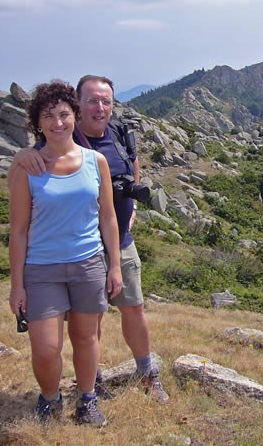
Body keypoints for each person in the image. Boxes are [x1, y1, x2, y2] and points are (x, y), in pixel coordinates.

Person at [14, 74, 169, 402]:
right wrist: (21, 156)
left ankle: (147, 374)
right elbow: (40, 163)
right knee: (90, 324)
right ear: (78, 106)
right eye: (91, 101)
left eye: (106, 101)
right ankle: (92, 382)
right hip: (79, 250)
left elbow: (132, 165)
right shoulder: (64, 140)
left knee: (134, 308)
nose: (99, 107)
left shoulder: (119, 134)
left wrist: (132, 208)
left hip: (118, 243)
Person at [8, 80, 123, 426]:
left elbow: (108, 217)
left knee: (86, 338)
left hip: (88, 263)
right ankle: (50, 398)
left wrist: (114, 266)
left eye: (63, 114)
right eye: (48, 116)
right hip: (41, 268)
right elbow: (18, 230)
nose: (57, 123)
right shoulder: (26, 166)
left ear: (74, 115)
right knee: (45, 347)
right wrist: (17, 286)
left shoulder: (95, 161)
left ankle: (87, 399)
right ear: (37, 123)